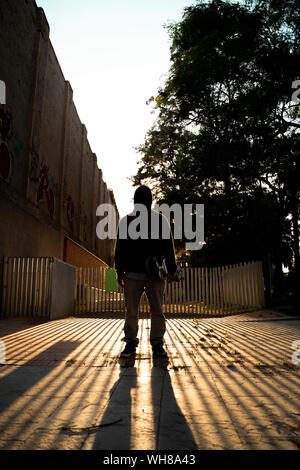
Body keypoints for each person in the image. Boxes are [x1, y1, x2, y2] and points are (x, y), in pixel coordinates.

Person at [115, 185, 177, 358]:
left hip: (135, 274)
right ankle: (157, 344)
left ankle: (130, 344)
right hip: (154, 275)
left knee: (132, 312)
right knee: (157, 311)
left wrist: (120, 272)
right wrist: (171, 270)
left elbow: (119, 249)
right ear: (150, 201)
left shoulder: (127, 220)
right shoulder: (160, 220)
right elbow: (169, 247)